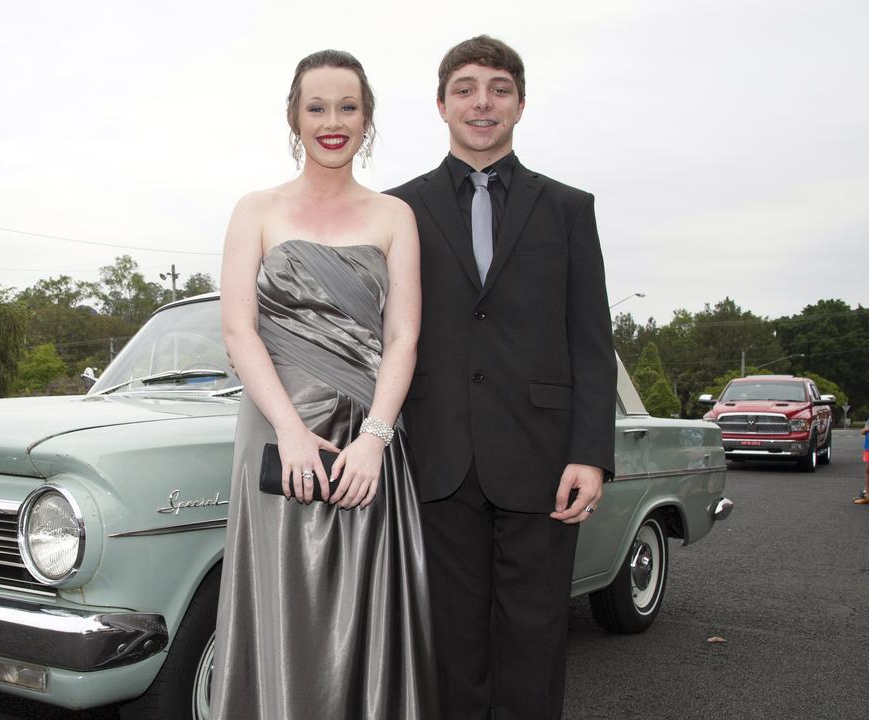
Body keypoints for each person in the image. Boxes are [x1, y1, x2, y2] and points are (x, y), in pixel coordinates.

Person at [386, 35, 616, 719]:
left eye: (498, 88)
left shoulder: (568, 209)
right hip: (435, 457)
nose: (481, 102)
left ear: (519, 102)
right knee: (449, 644)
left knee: (537, 637)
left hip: (544, 460)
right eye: (465, 88)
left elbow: (591, 340)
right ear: (441, 103)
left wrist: (590, 454)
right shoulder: (397, 210)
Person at [209, 49, 436, 719]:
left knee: (362, 610)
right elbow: (238, 332)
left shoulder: (395, 216)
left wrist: (375, 439)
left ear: (367, 121)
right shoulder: (255, 210)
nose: (332, 122)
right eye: (317, 107)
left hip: (368, 436)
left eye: (348, 107)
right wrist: (288, 430)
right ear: (293, 117)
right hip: (280, 433)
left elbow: (403, 338)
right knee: (285, 602)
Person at [856, 418, 869, 504]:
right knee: (868, 470)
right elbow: (863, 431)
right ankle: (867, 494)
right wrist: (866, 429)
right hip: (868, 447)